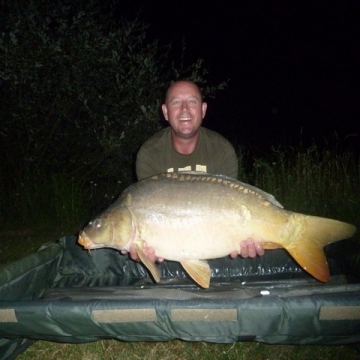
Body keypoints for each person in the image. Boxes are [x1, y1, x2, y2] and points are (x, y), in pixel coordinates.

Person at [123, 80, 264, 263]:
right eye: (176, 102)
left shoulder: (221, 149)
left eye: (192, 101)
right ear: (165, 112)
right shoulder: (150, 153)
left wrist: (246, 239)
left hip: (214, 242)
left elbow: (231, 204)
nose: (184, 109)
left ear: (203, 110)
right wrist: (143, 249)